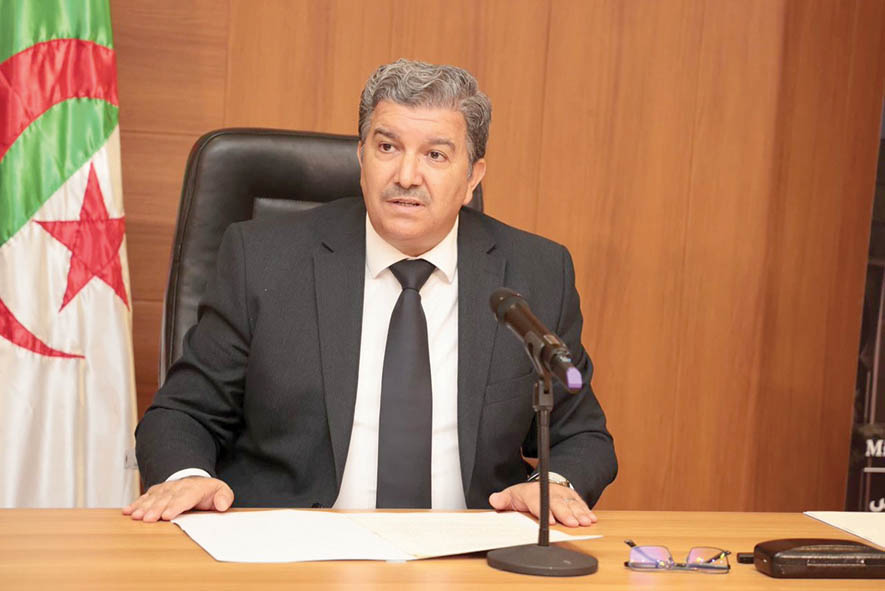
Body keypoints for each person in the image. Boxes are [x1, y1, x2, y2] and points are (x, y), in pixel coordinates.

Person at [125, 59, 617, 526]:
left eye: (435, 155)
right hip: (293, 550)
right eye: (387, 147)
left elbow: (583, 433)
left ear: (472, 177)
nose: (406, 176)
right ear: (361, 158)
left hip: (468, 556)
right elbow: (183, 412)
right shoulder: (263, 259)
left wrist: (551, 484)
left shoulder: (534, 273)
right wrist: (187, 477)